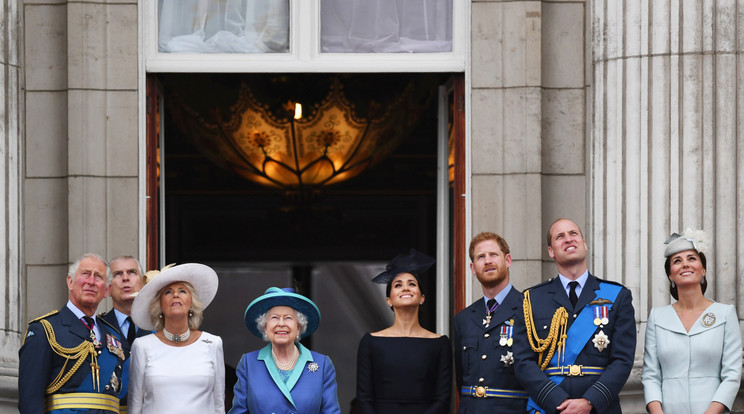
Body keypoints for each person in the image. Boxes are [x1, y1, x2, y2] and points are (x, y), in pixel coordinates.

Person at [512, 218, 636, 414]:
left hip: (599, 408)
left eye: (573, 234)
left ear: (584, 244)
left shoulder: (617, 296)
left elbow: (622, 360)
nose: (568, 239)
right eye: (560, 236)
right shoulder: (530, 299)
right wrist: (558, 401)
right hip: (551, 407)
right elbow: (523, 362)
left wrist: (589, 401)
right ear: (551, 251)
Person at [642, 229, 742, 414]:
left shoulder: (725, 314)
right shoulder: (657, 317)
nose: (685, 264)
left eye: (692, 258)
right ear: (670, 275)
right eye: (677, 261)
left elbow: (732, 375)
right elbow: (650, 376)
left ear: (703, 270)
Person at [18, 253, 128, 414]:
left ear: (107, 290)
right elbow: (30, 401)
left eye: (98, 277)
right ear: (70, 282)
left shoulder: (114, 336)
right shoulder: (45, 330)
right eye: (85, 274)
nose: (91, 281)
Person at [356, 249, 452, 413]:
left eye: (412, 284)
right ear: (389, 300)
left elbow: (443, 399)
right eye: (398, 285)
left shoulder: (440, 343)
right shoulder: (370, 342)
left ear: (422, 297)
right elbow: (364, 398)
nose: (405, 288)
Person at [128, 263, 225, 413]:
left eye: (182, 291)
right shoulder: (142, 346)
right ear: (159, 306)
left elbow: (219, 405)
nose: (175, 295)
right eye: (168, 292)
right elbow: (135, 406)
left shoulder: (213, 343)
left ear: (191, 303)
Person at [228, 287, 341, 414]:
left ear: (298, 327)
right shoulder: (249, 363)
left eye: (288, 318)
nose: (281, 323)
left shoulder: (323, 363)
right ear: (265, 327)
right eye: (274, 317)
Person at [453, 232, 528, 413]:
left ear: (508, 260)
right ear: (473, 267)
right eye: (481, 257)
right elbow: (461, 377)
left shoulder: (529, 309)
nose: (487, 261)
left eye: (493, 255)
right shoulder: (463, 319)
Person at [100, 255, 148, 346]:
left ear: (143, 284)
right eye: (118, 274)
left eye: (132, 272)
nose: (125, 278)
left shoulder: (158, 324)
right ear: (108, 289)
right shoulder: (99, 327)